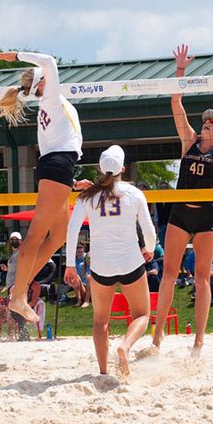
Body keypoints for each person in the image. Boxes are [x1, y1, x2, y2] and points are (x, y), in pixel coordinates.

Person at [151, 45, 213, 355]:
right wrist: (180, 69)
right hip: (180, 213)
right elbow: (175, 100)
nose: (208, 122)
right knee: (168, 275)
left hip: (206, 218)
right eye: (206, 121)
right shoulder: (189, 141)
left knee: (202, 278)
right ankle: (157, 337)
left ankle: (199, 341)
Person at [0, 50, 90, 322]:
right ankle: (19, 295)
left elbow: (52, 151)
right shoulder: (49, 96)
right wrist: (15, 56)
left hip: (59, 168)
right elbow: (49, 60)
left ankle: (19, 289)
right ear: (43, 82)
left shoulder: (50, 105)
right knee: (35, 235)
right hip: (57, 166)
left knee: (58, 236)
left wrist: (69, 182)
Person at [64, 145, 156, 377]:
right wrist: (150, 248)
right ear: (123, 169)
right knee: (142, 315)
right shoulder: (134, 193)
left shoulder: (87, 196)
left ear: (99, 168)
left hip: (101, 266)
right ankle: (124, 346)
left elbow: (73, 229)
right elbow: (148, 229)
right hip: (130, 262)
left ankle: (104, 372)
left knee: (100, 321)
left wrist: (70, 264)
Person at [156, 182, 173, 247]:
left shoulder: (171, 200)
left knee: (170, 243)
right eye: (162, 187)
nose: (163, 189)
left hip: (169, 224)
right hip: (160, 225)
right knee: (162, 243)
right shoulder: (157, 200)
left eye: (165, 187)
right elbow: (156, 213)